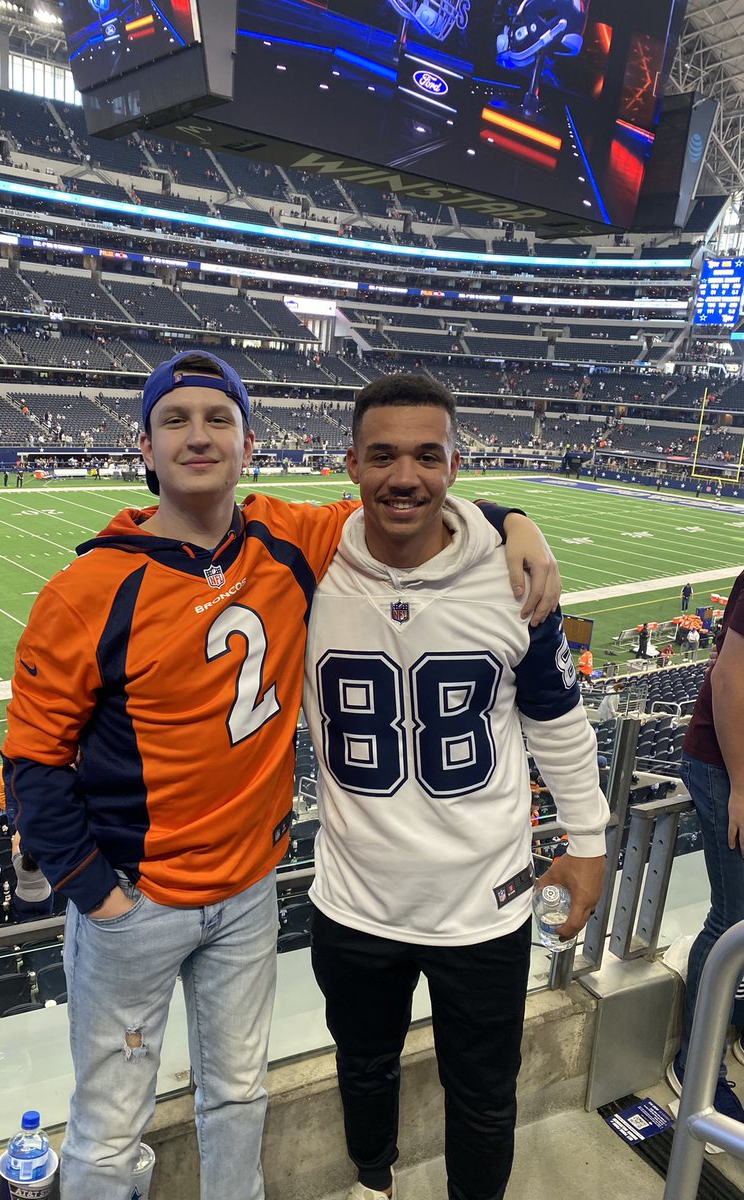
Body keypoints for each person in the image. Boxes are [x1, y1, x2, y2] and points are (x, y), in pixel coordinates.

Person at [1, 350, 561, 1200]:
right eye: (176, 421)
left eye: (217, 418)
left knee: (239, 1097)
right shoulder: (88, 588)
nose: (199, 436)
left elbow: (408, 496)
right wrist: (98, 894)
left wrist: (517, 518)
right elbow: (31, 762)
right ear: (144, 447)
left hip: (249, 894)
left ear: (248, 442)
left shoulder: (287, 535)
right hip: (138, 898)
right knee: (109, 1127)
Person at [302, 374, 609, 1200]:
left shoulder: (513, 579)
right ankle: (375, 1185)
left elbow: (556, 720)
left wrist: (588, 842)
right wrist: (516, 515)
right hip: (356, 898)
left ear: (455, 463)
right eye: (383, 455)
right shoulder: (303, 573)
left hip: (485, 902)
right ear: (350, 465)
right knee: (363, 1069)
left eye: (427, 455)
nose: (405, 476)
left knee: (484, 1097)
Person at [667, 568, 744, 1123]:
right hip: (726, 767)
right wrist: (741, 783)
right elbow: (729, 681)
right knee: (734, 917)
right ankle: (696, 1065)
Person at [10, 831, 54, 922]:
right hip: (44, 899)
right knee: (46, 922)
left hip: (23, 900)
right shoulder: (45, 863)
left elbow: (15, 844)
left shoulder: (18, 862)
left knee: (26, 925)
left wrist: (20, 828)